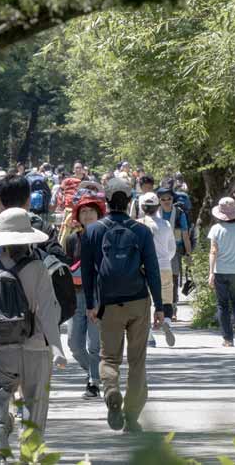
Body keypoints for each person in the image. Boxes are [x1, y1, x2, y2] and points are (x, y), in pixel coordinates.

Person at [0, 208, 67, 463]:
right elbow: (48, 312)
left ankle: (0, 456)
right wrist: (56, 348)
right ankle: (29, 457)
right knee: (34, 407)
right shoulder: (39, 268)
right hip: (35, 350)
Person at [82, 178, 163, 433]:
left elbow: (87, 273)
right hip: (138, 301)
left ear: (106, 201)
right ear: (129, 203)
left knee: (109, 358)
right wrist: (160, 305)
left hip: (110, 304)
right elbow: (152, 270)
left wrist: (91, 304)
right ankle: (131, 416)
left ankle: (111, 390)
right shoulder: (141, 231)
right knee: (137, 361)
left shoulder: (93, 231)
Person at [65, 194, 106, 399]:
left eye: (91, 211)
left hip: (98, 295)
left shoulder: (105, 236)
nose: (88, 215)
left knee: (94, 345)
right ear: (78, 216)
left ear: (99, 214)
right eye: (83, 211)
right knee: (74, 344)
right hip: (76, 294)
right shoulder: (72, 239)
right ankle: (94, 373)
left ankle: (93, 382)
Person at [207, 197, 235, 347]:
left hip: (220, 272)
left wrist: (211, 272)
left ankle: (228, 339)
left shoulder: (216, 229)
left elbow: (213, 251)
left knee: (222, 305)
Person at [137, 192, 177, 347]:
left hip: (143, 268)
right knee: (166, 299)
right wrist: (165, 258)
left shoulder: (137, 224)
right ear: (157, 207)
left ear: (142, 207)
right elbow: (171, 248)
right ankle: (167, 321)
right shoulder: (165, 224)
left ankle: (149, 337)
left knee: (145, 301)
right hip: (164, 266)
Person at [156, 187, 192, 311]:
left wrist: (188, 253)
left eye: (169, 198)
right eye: (163, 199)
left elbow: (185, 235)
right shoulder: (155, 213)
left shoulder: (179, 213)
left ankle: (173, 305)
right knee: (158, 278)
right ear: (159, 200)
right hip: (157, 249)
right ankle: (161, 306)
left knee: (174, 277)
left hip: (175, 250)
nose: (166, 201)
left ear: (173, 199)